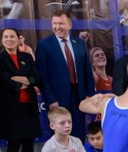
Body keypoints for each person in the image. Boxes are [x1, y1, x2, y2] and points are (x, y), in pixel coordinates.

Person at [0, 27, 44, 152]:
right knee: (13, 144)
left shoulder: (27, 57)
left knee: (29, 143)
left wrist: (18, 79)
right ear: (2, 40)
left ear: (18, 39)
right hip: (10, 109)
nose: (9, 39)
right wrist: (26, 81)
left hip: (28, 107)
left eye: (12, 36)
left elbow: (36, 78)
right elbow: (6, 82)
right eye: (6, 37)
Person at [37, 10, 95, 143]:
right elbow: (42, 76)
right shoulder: (44, 45)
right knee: (60, 136)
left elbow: (87, 70)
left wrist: (90, 93)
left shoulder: (80, 43)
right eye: (54, 23)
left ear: (70, 25)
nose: (57, 27)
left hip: (79, 96)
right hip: (57, 98)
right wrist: (51, 100)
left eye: (61, 23)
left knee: (78, 134)